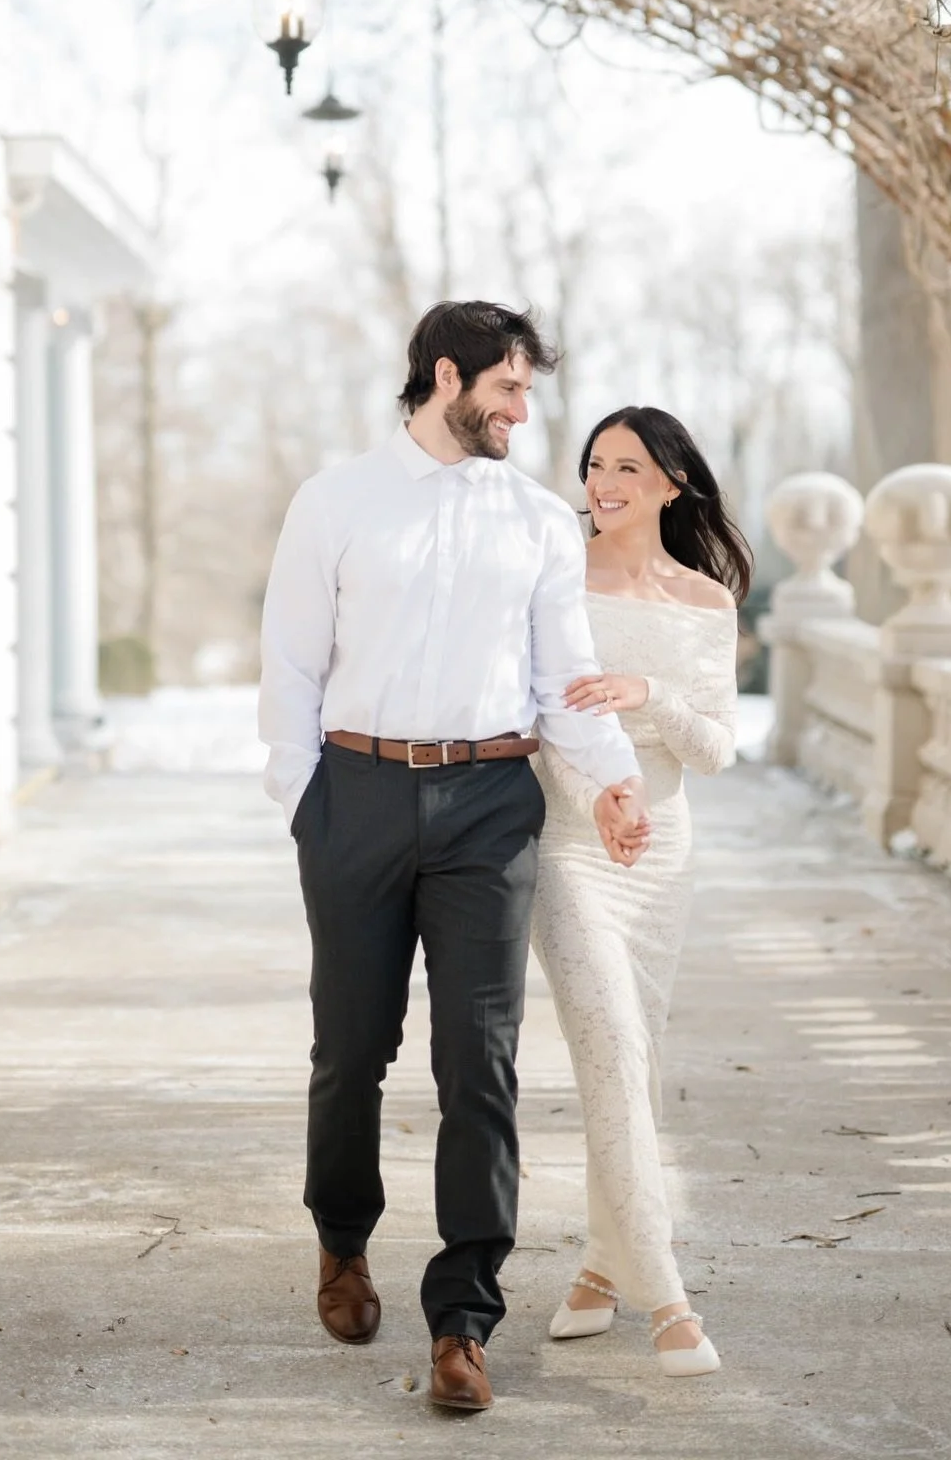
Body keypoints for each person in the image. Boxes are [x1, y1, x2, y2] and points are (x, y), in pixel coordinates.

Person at [258, 303, 650, 1413]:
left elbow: (559, 678)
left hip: (489, 801)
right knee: (351, 1048)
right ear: (448, 376)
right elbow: (289, 665)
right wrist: (308, 802)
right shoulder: (335, 504)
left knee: (480, 1062)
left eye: (529, 392)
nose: (526, 412)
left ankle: (464, 1319)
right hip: (358, 794)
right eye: (511, 390)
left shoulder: (534, 521)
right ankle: (342, 1241)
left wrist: (612, 778)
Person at [531, 405, 750, 1377]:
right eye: (594, 464)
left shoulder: (708, 602)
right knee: (613, 1040)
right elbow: (535, 724)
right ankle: (669, 1298)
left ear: (673, 483)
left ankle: (598, 1269)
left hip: (662, 853)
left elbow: (715, 749)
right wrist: (601, 791)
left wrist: (647, 694)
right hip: (573, 842)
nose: (603, 482)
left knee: (632, 1060)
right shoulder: (551, 581)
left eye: (627, 466)